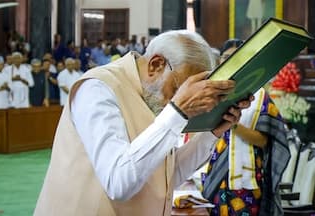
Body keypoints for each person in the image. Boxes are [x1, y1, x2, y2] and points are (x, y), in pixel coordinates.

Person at [34, 30, 253, 215]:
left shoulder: (151, 97)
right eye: (179, 89)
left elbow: (166, 176)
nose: (179, 99)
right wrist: (177, 110)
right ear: (156, 65)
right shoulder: (98, 89)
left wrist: (211, 133)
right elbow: (118, 183)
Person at [201, 39, 290, 216]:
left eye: (237, 57)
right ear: (219, 60)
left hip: (247, 181)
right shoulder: (210, 92)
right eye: (226, 57)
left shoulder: (259, 96)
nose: (230, 61)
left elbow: (265, 141)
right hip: (216, 172)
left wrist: (233, 125)